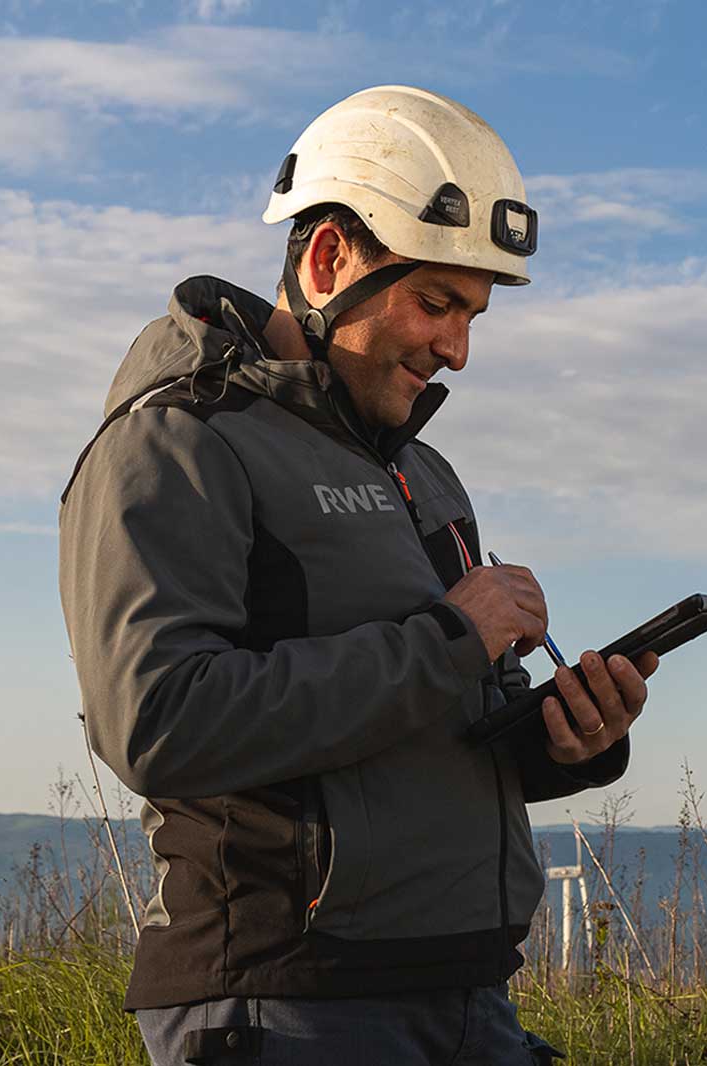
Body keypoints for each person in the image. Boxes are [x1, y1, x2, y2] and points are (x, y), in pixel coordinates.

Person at [58, 85, 657, 1065]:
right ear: (330, 258)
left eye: (471, 314)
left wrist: (568, 739)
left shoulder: (424, 475)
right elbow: (155, 720)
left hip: (466, 993)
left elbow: (426, 729)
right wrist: (450, 639)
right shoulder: (179, 442)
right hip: (287, 1008)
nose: (456, 348)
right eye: (434, 302)